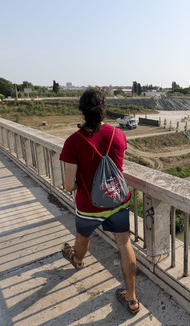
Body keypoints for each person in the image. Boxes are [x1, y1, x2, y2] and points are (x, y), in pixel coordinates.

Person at [59, 88, 140, 314]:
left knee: (83, 236)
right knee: (124, 243)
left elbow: (68, 185)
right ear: (104, 111)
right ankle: (132, 298)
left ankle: (77, 260)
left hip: (89, 205)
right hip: (117, 201)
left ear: (82, 112)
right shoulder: (118, 135)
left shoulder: (73, 142)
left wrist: (80, 185)